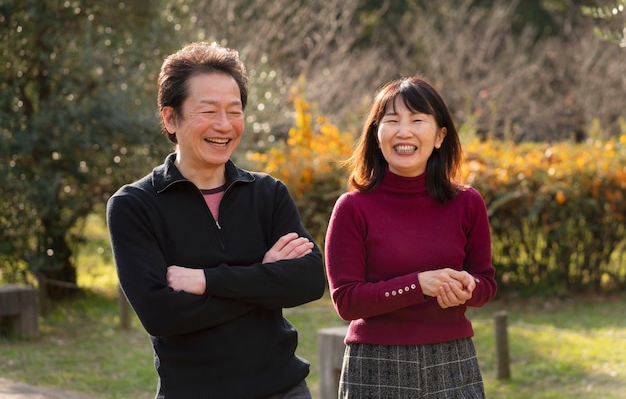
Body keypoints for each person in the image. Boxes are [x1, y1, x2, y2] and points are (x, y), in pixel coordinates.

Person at [106, 42, 326, 399]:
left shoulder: (268, 193)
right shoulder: (134, 205)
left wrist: (208, 281)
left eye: (234, 111)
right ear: (170, 118)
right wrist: (264, 276)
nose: (224, 125)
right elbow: (161, 315)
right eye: (208, 111)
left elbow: (309, 281)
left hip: (284, 390)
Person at [324, 76, 497, 398]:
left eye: (417, 120)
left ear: (440, 136)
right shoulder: (352, 208)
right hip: (375, 364)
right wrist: (418, 285)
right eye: (391, 121)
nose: (404, 132)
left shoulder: (467, 202)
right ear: (377, 135)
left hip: (453, 359)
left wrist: (467, 288)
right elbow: (346, 301)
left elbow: (485, 284)